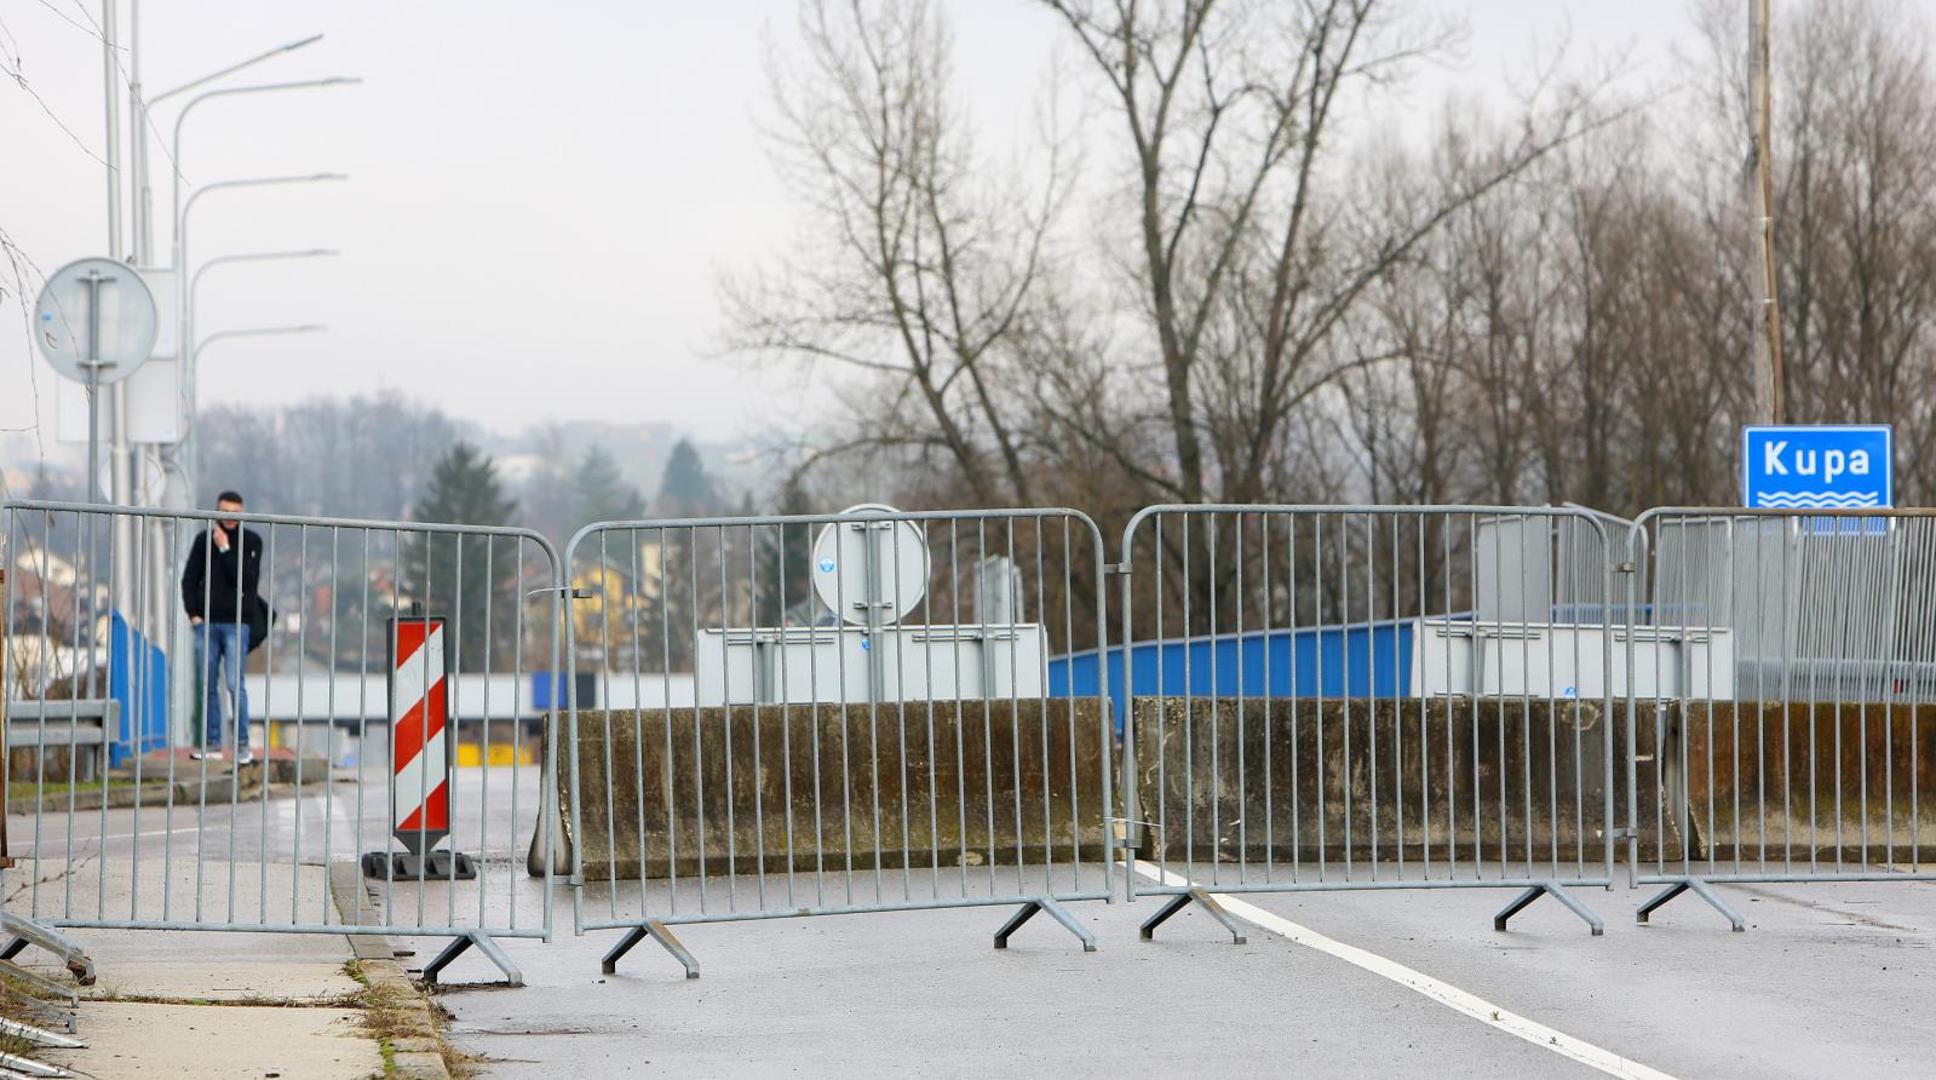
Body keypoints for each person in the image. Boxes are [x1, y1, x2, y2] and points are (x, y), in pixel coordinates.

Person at [181, 490, 264, 765]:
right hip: (206, 624)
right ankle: (212, 743)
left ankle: (242, 745)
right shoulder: (203, 541)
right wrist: (194, 615)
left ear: (242, 513)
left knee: (234, 684)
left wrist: (226, 548)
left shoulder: (252, 541)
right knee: (208, 686)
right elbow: (189, 578)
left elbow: (247, 581)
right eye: (224, 512)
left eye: (235, 513)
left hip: (237, 625)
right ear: (216, 511)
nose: (229, 518)